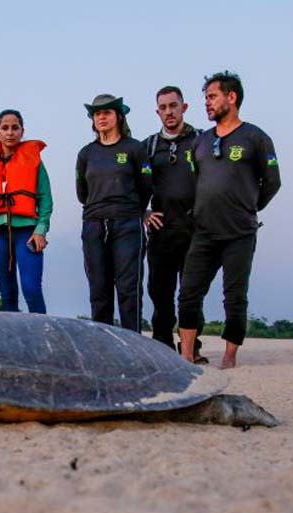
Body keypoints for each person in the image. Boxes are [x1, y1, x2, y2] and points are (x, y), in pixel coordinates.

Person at [177, 71, 282, 369]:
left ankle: (229, 357)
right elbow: (197, 181)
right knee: (188, 293)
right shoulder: (201, 141)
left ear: (231, 97)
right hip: (204, 231)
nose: (207, 104)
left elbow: (272, 182)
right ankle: (186, 356)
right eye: (206, 98)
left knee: (234, 296)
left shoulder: (256, 138)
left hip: (240, 232)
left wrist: (248, 206)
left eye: (212, 97)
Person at [76, 94, 153, 332]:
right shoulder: (86, 153)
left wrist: (135, 211)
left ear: (118, 116)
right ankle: (102, 348)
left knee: (128, 289)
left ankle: (134, 346)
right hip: (94, 224)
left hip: (127, 223)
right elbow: (82, 193)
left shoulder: (135, 148)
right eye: (97, 113)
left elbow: (146, 187)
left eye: (107, 112)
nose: (102, 117)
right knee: (99, 289)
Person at [143, 86, 206, 362]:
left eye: (173, 106)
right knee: (160, 292)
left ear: (184, 107)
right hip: (160, 230)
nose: (169, 112)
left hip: (195, 230)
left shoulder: (202, 141)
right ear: (157, 111)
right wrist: (143, 212)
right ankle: (162, 347)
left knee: (191, 293)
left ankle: (192, 350)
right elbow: (133, 185)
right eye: (163, 107)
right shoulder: (148, 146)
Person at [0, 109, 52, 313]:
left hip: (27, 233)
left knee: (32, 290)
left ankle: (41, 340)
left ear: (22, 131)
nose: (10, 132)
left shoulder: (34, 161)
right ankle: (12, 344)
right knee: (7, 295)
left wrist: (41, 230)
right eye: (5, 128)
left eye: (15, 128)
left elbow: (45, 199)